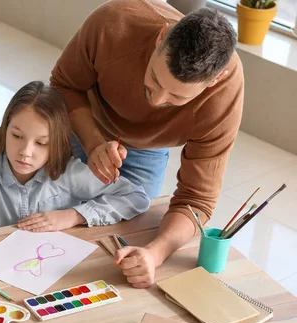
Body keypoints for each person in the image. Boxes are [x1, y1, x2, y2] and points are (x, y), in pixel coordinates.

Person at [50, 1, 243, 288]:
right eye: (153, 79)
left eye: (176, 98)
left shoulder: (225, 95)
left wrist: (155, 254)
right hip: (86, 122)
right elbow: (64, 84)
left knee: (128, 241)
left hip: (150, 149)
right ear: (159, 38)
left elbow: (196, 199)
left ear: (215, 80)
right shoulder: (112, 22)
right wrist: (92, 143)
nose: (155, 100)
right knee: (51, 220)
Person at [0, 81, 149, 245]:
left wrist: (74, 215)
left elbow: (136, 198)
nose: (25, 152)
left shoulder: (68, 172)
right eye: (17, 136)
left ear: (57, 143)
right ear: (6, 127)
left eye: (41, 143)